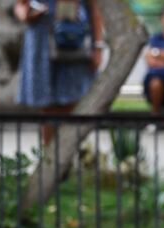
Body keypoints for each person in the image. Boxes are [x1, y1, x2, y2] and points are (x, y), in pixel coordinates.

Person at [14, 0, 103, 145]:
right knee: (47, 107)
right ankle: (51, 158)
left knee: (71, 103)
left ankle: (69, 157)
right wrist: (25, 15)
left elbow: (94, 8)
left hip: (73, 39)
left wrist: (98, 47)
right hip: (41, 41)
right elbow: (20, 5)